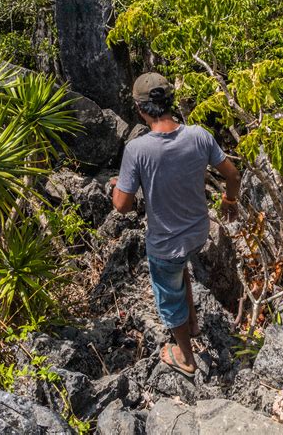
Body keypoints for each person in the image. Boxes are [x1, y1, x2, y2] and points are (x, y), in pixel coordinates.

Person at [110, 72, 241, 378]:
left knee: (169, 297)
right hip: (197, 232)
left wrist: (121, 185)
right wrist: (229, 202)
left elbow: (121, 206)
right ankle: (193, 323)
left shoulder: (138, 150)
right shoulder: (198, 136)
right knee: (180, 269)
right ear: (170, 101)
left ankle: (185, 356)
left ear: (140, 108)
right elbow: (233, 176)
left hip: (166, 244)